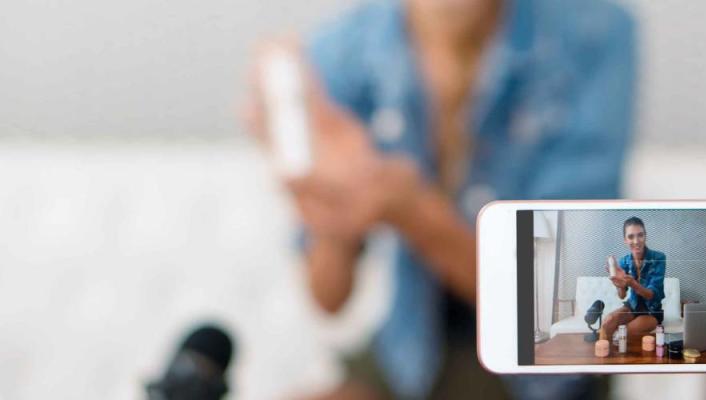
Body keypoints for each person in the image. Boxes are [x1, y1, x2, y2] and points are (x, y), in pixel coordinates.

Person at [246, 0, 636, 398]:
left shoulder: (591, 35)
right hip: (412, 349)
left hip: (543, 371)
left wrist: (412, 210)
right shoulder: (347, 47)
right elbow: (328, 296)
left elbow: (563, 311)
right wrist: (329, 194)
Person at [601, 217, 666, 338]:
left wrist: (632, 284)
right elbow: (622, 295)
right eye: (631, 237)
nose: (636, 241)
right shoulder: (624, 261)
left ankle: (619, 354)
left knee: (624, 332)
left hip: (651, 311)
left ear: (645, 236)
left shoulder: (659, 258)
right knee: (608, 321)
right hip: (633, 307)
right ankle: (602, 353)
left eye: (640, 235)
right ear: (625, 240)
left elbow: (652, 294)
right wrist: (619, 286)